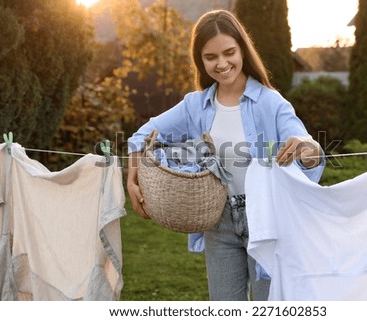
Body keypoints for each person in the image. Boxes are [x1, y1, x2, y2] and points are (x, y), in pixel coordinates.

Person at [127, 9, 324, 301]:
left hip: (267, 220)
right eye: (210, 57)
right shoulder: (196, 105)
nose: (221, 64)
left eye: (229, 52)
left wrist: (307, 148)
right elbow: (142, 136)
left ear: (242, 49)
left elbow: (310, 150)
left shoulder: (270, 102)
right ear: (200, 60)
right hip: (218, 221)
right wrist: (132, 179)